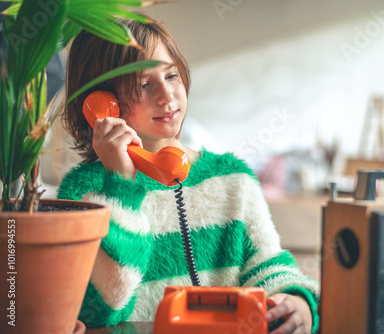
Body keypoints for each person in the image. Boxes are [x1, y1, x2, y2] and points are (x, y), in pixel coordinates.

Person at [58, 14, 319, 334]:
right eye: (144, 84)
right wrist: (121, 187)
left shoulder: (233, 180)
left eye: (171, 75)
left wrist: (297, 302)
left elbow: (269, 267)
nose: (166, 96)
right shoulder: (84, 192)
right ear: (102, 104)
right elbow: (103, 308)